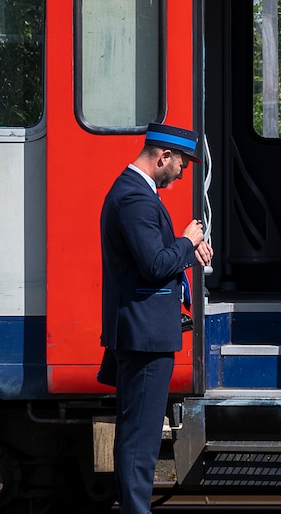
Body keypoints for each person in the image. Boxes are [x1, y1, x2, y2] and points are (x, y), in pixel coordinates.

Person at [97, 122, 213, 514]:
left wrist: (185, 251)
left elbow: (152, 259)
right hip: (144, 336)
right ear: (163, 157)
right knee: (141, 439)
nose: (181, 174)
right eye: (180, 164)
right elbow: (153, 264)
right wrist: (187, 241)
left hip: (142, 331)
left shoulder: (133, 194)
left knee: (137, 434)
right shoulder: (135, 199)